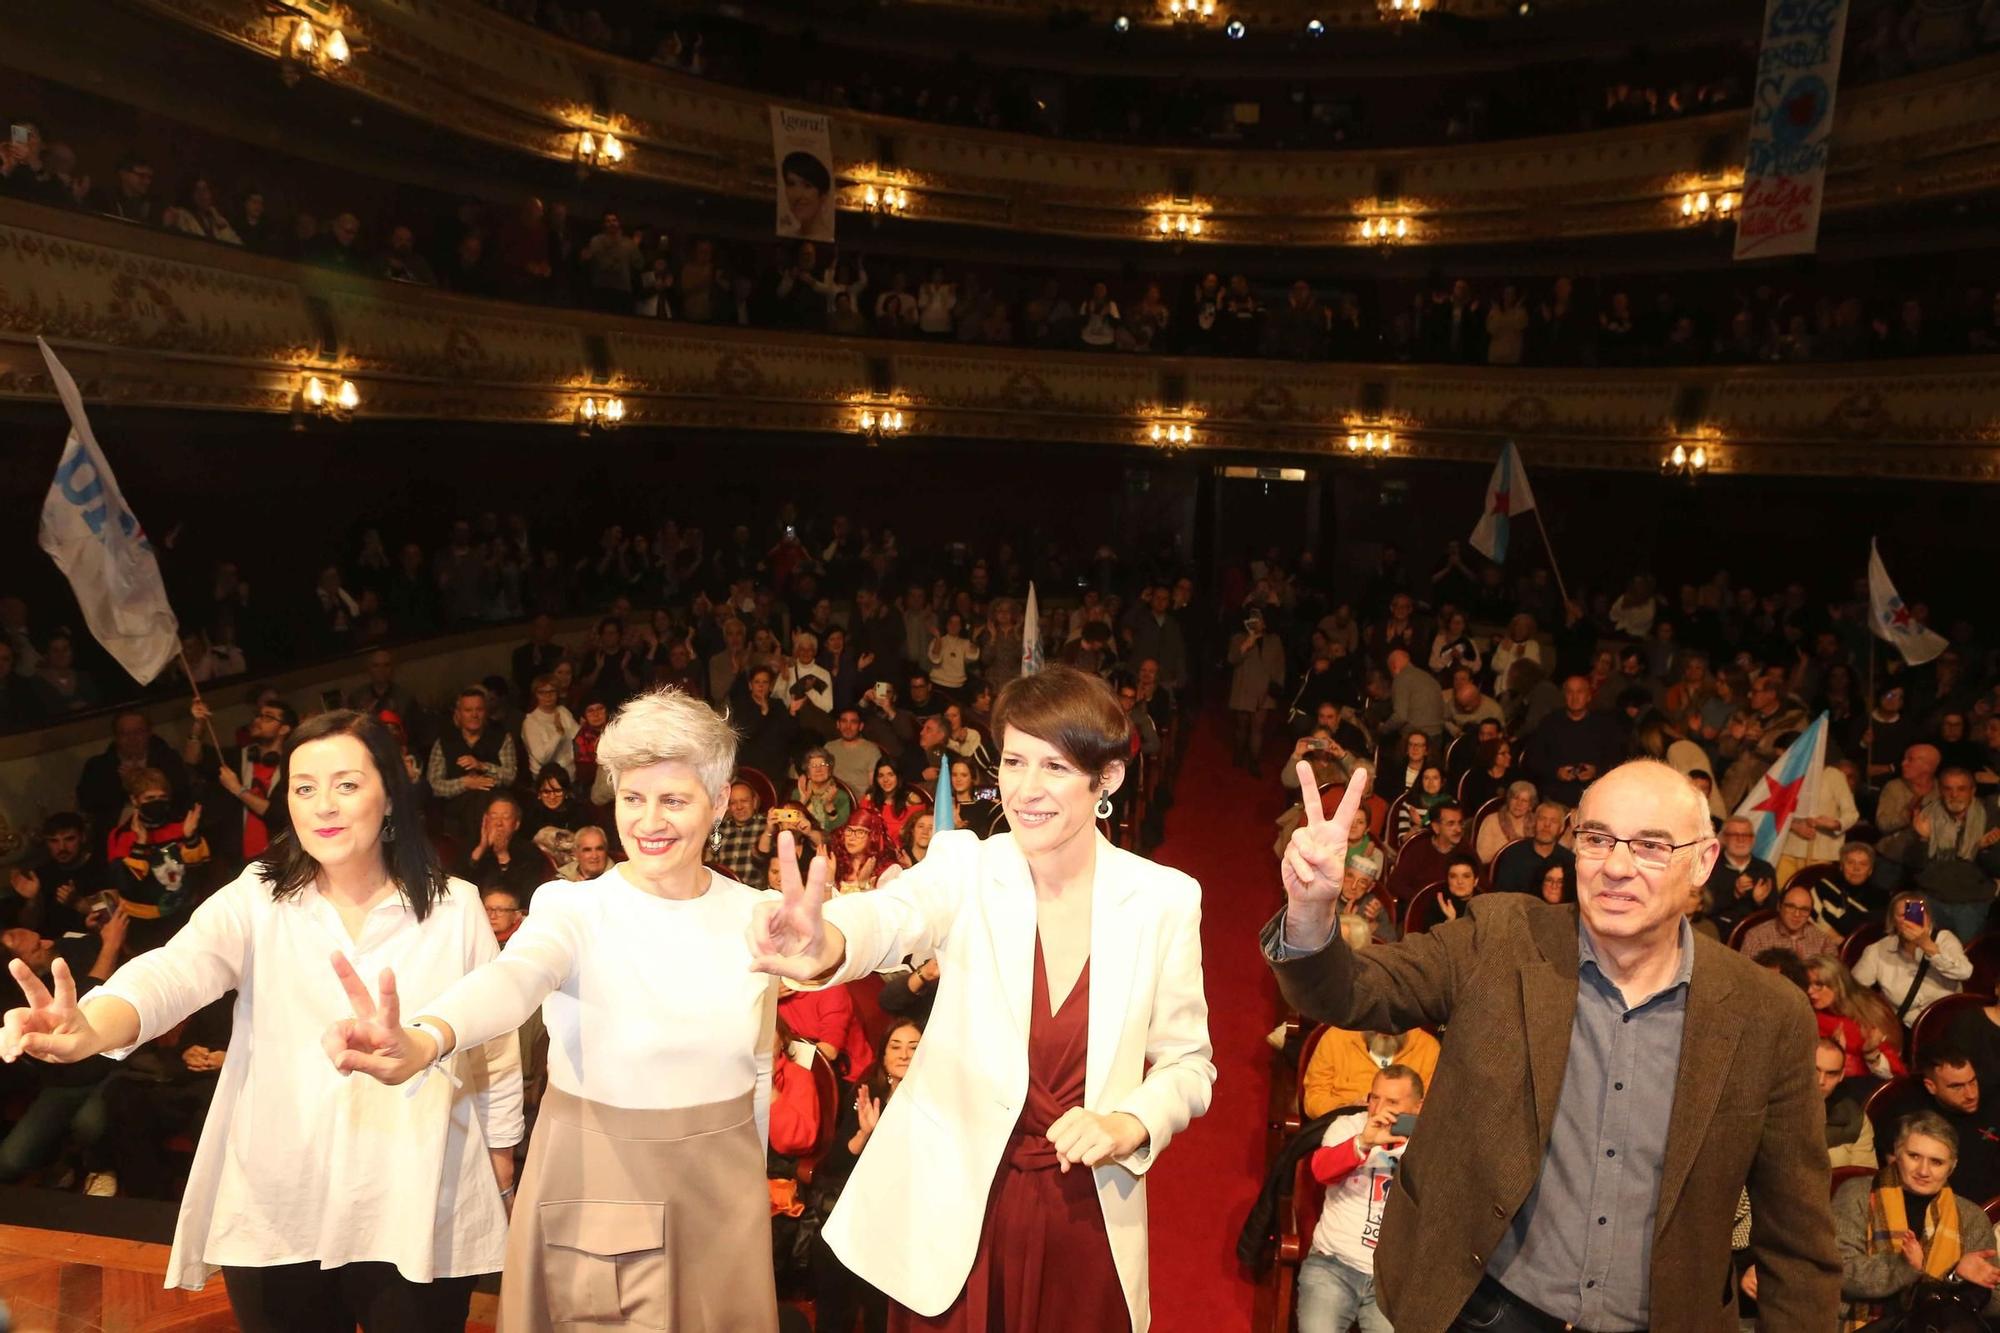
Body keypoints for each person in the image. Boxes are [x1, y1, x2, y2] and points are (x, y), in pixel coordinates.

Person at [1265, 759, 1840, 1328]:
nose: (1616, 866)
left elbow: (1797, 1245)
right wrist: (1313, 911)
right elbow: (1353, 992)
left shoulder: (1770, 1016)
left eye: (1650, 846)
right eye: (1597, 839)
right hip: (1482, 1309)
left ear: (1704, 862)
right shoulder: (1500, 938)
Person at [1, 710, 521, 1329]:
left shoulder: (454, 906)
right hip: (281, 1191)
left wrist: (501, 1147)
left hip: (414, 1186)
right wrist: (92, 1023)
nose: (323, 805)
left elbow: (493, 1035)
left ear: (389, 798)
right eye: (304, 788)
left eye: (347, 785)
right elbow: (177, 968)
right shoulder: (259, 896)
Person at [747, 664, 1215, 1330]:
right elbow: (894, 915)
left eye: (1054, 767)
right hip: (956, 1216)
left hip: (1084, 1215)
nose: (1024, 790)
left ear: (1105, 778)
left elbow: (1189, 1064)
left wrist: (1129, 1123)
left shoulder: (1165, 900)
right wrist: (824, 941)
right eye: (1015, 761)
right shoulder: (967, 866)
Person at [324, 688, 782, 1332]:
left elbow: (757, 1066)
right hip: (601, 1184)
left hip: (724, 1193)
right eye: (632, 798)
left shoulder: (756, 915)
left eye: (673, 800)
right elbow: (514, 978)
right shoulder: (573, 907)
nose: (649, 822)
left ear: (719, 798)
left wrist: (752, 1179)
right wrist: (428, 1037)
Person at [1833, 1112, 2000, 1327]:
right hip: (1864, 1324)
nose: (1923, 1171)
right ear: (1896, 1154)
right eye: (1914, 1156)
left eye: (1936, 1162)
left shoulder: (1970, 1217)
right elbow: (1840, 1273)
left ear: (1952, 1166)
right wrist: (1902, 1267)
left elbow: (1995, 1303)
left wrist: (1956, 1279)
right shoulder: (1856, 1194)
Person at [813, 1018, 925, 1333]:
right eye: (896, 1046)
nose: (904, 1055)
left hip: (906, 1209)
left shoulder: (934, 1102)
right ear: (883, 1054)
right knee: (831, 1251)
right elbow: (833, 1164)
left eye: (914, 1048)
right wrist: (863, 1136)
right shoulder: (866, 1093)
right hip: (859, 1204)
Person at [1297, 1065, 1426, 1333]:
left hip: (1392, 1278)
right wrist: (1363, 1144)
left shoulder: (1433, 1145)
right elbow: (1321, 1170)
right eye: (1374, 1098)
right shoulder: (1349, 1127)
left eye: (1392, 1102)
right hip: (1332, 1265)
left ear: (1419, 1106)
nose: (1379, 1109)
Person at [1854, 891, 1973, 1025]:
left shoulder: (1944, 939)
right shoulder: (1878, 950)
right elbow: (1854, 990)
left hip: (1946, 1023)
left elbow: (1965, 972)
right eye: (1903, 915)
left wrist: (1928, 946)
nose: (1910, 919)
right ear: (1893, 920)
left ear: (1928, 917)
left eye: (1916, 913)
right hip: (1903, 1026)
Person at [1817, 1037, 1876, 1170]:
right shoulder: (1773, 1108)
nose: (1821, 1081)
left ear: (1841, 1076)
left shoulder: (1854, 1119)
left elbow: (1862, 1179)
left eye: (1831, 1074)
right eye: (1815, 1070)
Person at [1740, 884, 1840, 959]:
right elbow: (1744, 976)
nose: (1797, 914)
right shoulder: (1756, 937)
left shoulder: (1824, 942)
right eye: (1791, 907)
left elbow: (1833, 982)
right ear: (1779, 906)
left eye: (1804, 909)